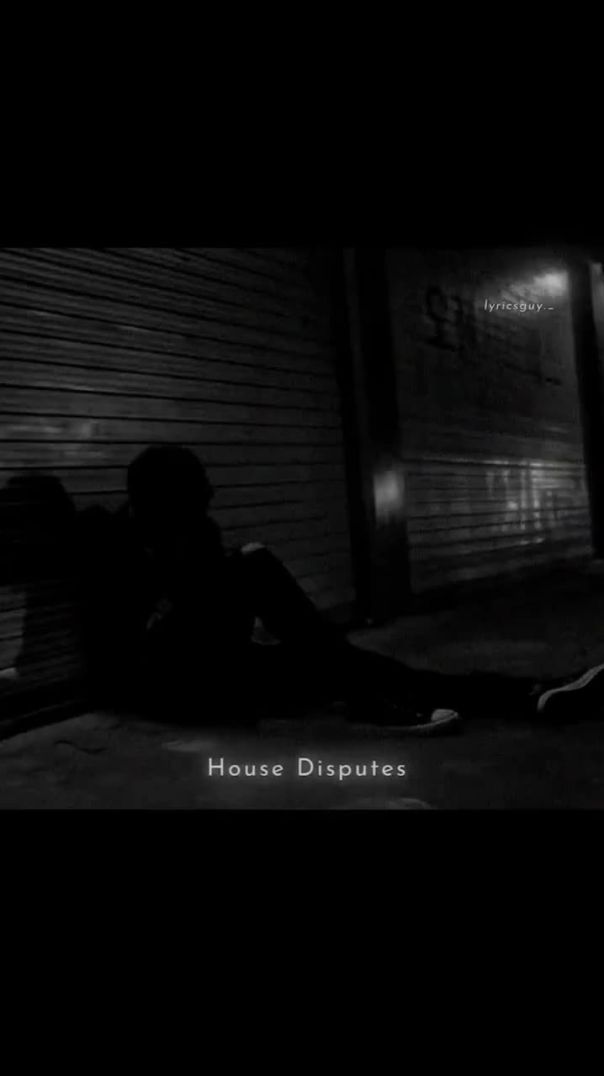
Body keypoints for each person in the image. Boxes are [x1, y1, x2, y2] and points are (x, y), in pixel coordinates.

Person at [78, 445, 604, 735]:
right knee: (258, 568)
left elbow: (213, 621)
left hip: (218, 668)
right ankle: (365, 697)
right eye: (197, 493)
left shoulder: (194, 534)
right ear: (165, 501)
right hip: (166, 689)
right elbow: (138, 647)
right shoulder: (113, 545)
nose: (211, 499)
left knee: (360, 666)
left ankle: (529, 693)